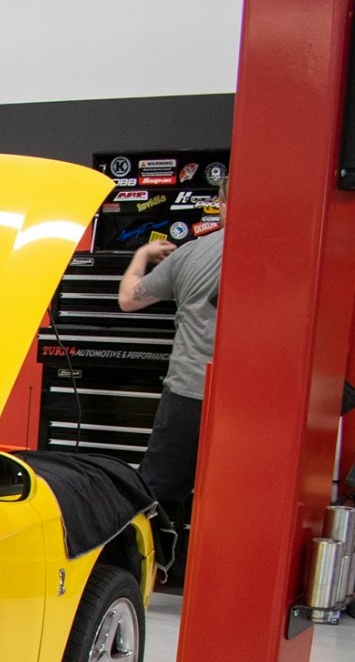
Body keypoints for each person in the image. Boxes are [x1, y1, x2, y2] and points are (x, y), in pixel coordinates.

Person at [117, 206, 226, 570]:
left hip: (189, 392)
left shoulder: (194, 252)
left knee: (158, 488)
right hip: (252, 402)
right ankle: (223, 573)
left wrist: (142, 254)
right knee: (237, 496)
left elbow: (129, 299)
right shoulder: (288, 250)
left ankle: (141, 568)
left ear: (223, 204)